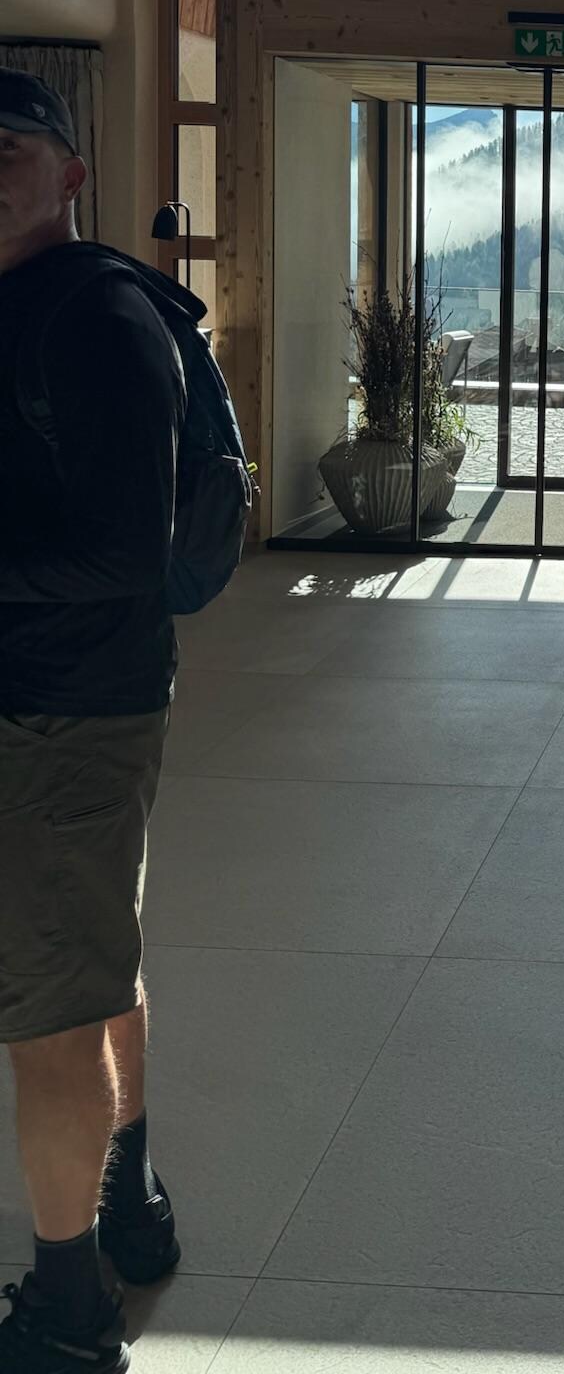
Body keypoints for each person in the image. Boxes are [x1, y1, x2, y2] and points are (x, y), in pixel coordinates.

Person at [0, 72, 189, 1374]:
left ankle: (68, 1311)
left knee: (49, 1005)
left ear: (70, 176)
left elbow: (130, 550)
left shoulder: (99, 315)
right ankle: (129, 1190)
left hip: (64, 709)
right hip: (47, 699)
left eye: (7, 149)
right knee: (84, 958)